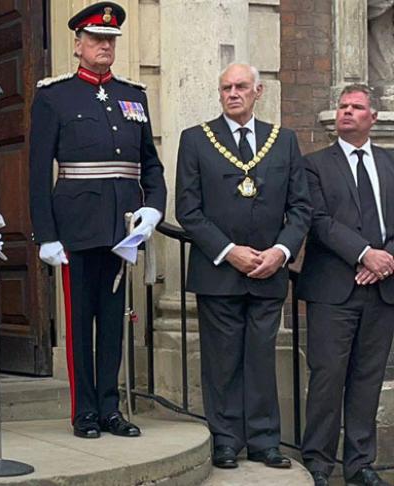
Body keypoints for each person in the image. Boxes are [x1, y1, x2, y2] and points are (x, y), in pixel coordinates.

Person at [29, 2, 167, 440]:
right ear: (78, 45)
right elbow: (36, 172)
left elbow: (150, 164)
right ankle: (84, 412)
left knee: (113, 324)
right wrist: (46, 235)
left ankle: (111, 408)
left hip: (122, 228)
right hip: (76, 227)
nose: (104, 46)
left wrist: (155, 207)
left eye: (110, 40)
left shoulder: (134, 95)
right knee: (79, 325)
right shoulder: (54, 96)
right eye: (95, 39)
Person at [175, 63, 311, 470]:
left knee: (261, 358)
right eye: (226, 88)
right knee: (222, 361)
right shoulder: (196, 140)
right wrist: (229, 250)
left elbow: (301, 208)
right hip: (218, 271)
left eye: (240, 87)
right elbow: (188, 209)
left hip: (269, 273)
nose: (233, 93)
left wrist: (281, 253)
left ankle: (266, 442)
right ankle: (226, 440)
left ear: (258, 91)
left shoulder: (283, 141)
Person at [298, 84, 394, 486]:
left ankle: (359, 464)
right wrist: (363, 254)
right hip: (332, 290)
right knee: (327, 377)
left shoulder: (390, 163)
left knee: (367, 379)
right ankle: (318, 462)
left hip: (382, 290)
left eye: (356, 107)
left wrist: (385, 258)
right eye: (342, 107)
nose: (347, 112)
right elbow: (318, 221)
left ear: (372, 117)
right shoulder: (314, 164)